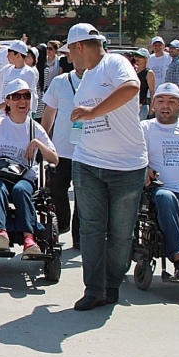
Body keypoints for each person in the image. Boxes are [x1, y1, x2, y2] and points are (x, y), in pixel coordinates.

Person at [61, 23, 147, 311]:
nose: (68, 57)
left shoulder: (114, 62)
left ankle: (112, 285)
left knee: (121, 232)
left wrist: (93, 112)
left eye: (69, 51)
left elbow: (132, 87)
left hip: (126, 165)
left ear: (79, 47)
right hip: (88, 162)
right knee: (91, 229)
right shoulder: (84, 78)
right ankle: (94, 289)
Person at [0, 79, 58, 255]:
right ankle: (1, 233)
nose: (22, 101)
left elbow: (54, 158)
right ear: (7, 101)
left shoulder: (34, 127)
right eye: (16, 96)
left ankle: (29, 239)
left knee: (21, 191)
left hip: (24, 174)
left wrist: (38, 143)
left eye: (26, 96)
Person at [141, 82, 179, 281]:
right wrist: (144, 169)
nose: (165, 105)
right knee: (166, 198)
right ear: (153, 105)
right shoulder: (145, 128)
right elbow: (134, 157)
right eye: (160, 101)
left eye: (171, 101)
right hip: (160, 190)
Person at [41, 64, 86, 248]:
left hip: (87, 152)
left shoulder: (100, 81)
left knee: (83, 196)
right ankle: (61, 224)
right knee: (56, 191)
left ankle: (79, 237)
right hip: (61, 150)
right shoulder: (60, 81)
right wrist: (42, 139)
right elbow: (49, 112)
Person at [0, 39, 38, 114]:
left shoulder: (28, 72)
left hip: (19, 115)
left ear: (18, 55)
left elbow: (23, 97)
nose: (7, 56)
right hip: (4, 114)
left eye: (9, 54)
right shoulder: (7, 68)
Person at [131, 48, 156, 120]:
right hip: (132, 104)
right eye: (136, 56)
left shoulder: (149, 73)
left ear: (146, 59)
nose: (137, 58)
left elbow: (152, 91)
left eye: (140, 57)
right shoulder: (132, 71)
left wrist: (152, 106)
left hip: (142, 105)